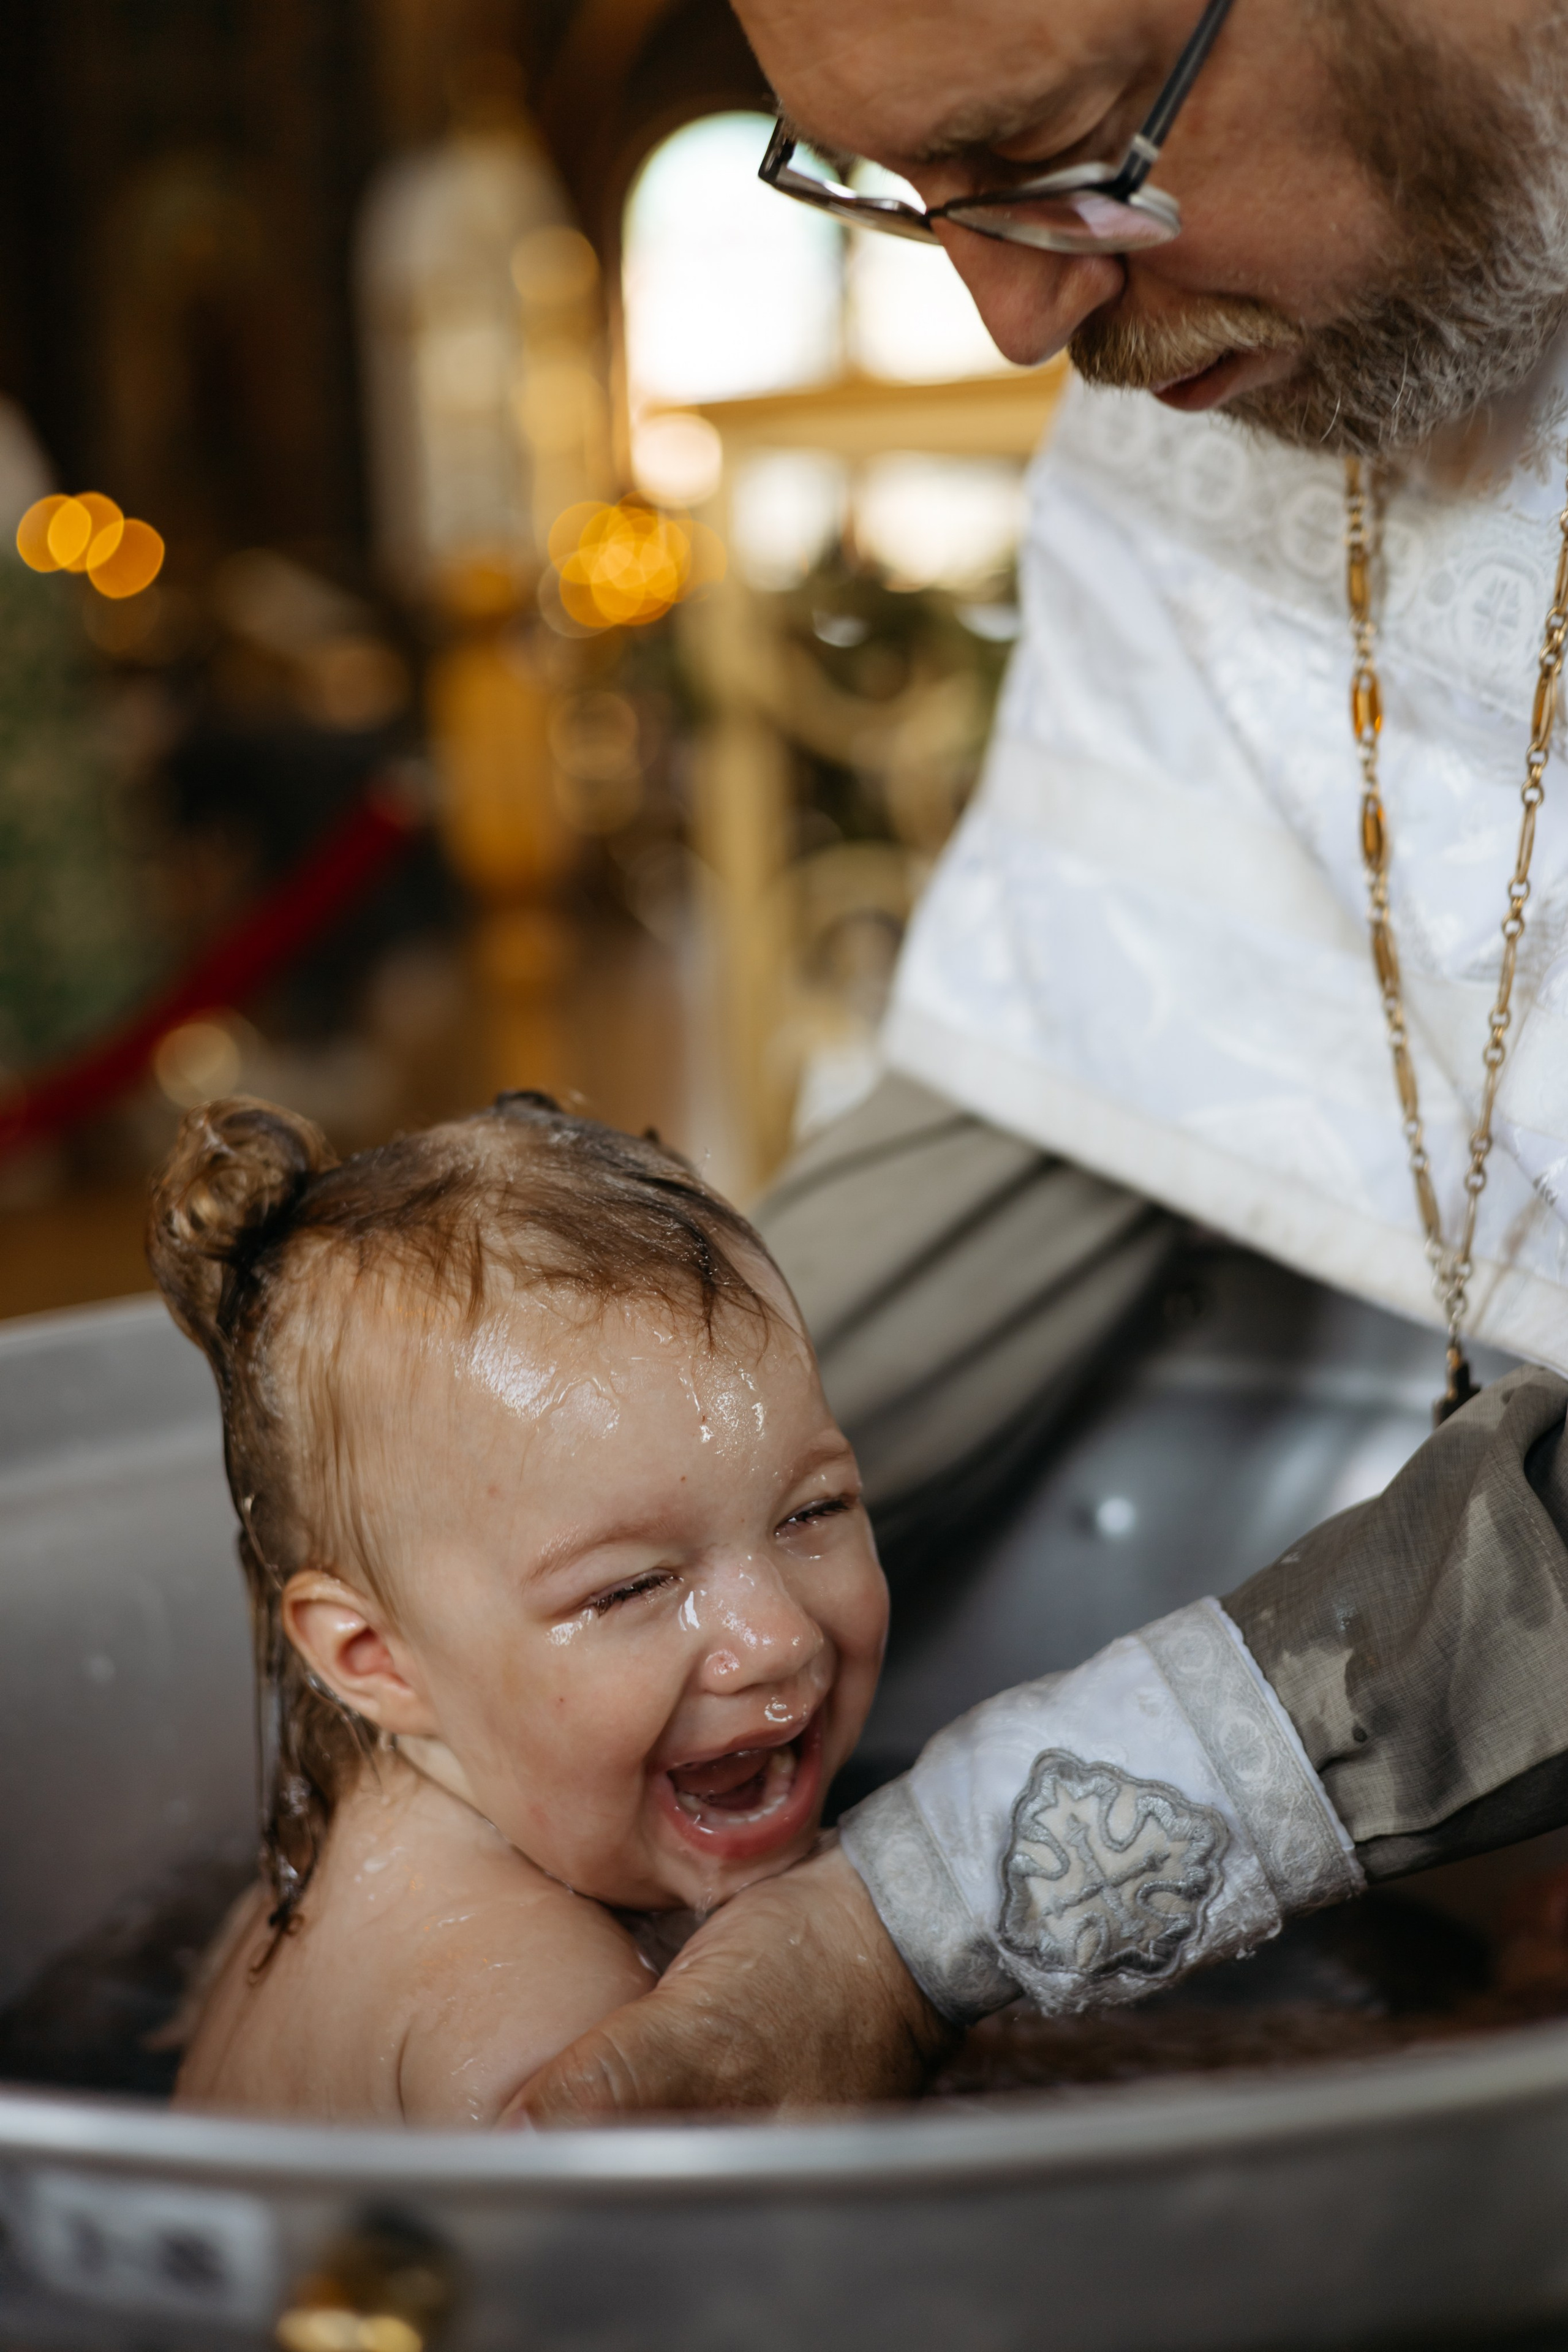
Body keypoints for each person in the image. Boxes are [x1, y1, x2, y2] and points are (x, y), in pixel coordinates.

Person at [513, 0, 1568, 2120]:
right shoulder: (1217, 374)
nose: (1012, 322)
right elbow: (1056, 1087)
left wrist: (920, 1905)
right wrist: (470, 1669)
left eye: (1069, 154)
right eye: (921, 209)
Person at [146, 1093, 887, 2123]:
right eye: (633, 1586)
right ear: (375, 1659)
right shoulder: (553, 2017)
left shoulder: (299, 1882)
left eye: (817, 1509)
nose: (780, 1638)